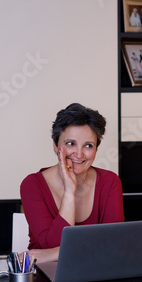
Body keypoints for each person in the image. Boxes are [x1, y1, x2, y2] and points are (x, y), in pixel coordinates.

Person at [20, 103, 125, 262]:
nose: (79, 154)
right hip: (46, 278)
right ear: (56, 145)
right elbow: (52, 244)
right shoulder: (32, 185)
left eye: (88, 145)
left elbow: (113, 244)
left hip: (96, 273)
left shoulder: (110, 182)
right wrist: (70, 192)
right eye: (70, 143)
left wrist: (52, 253)